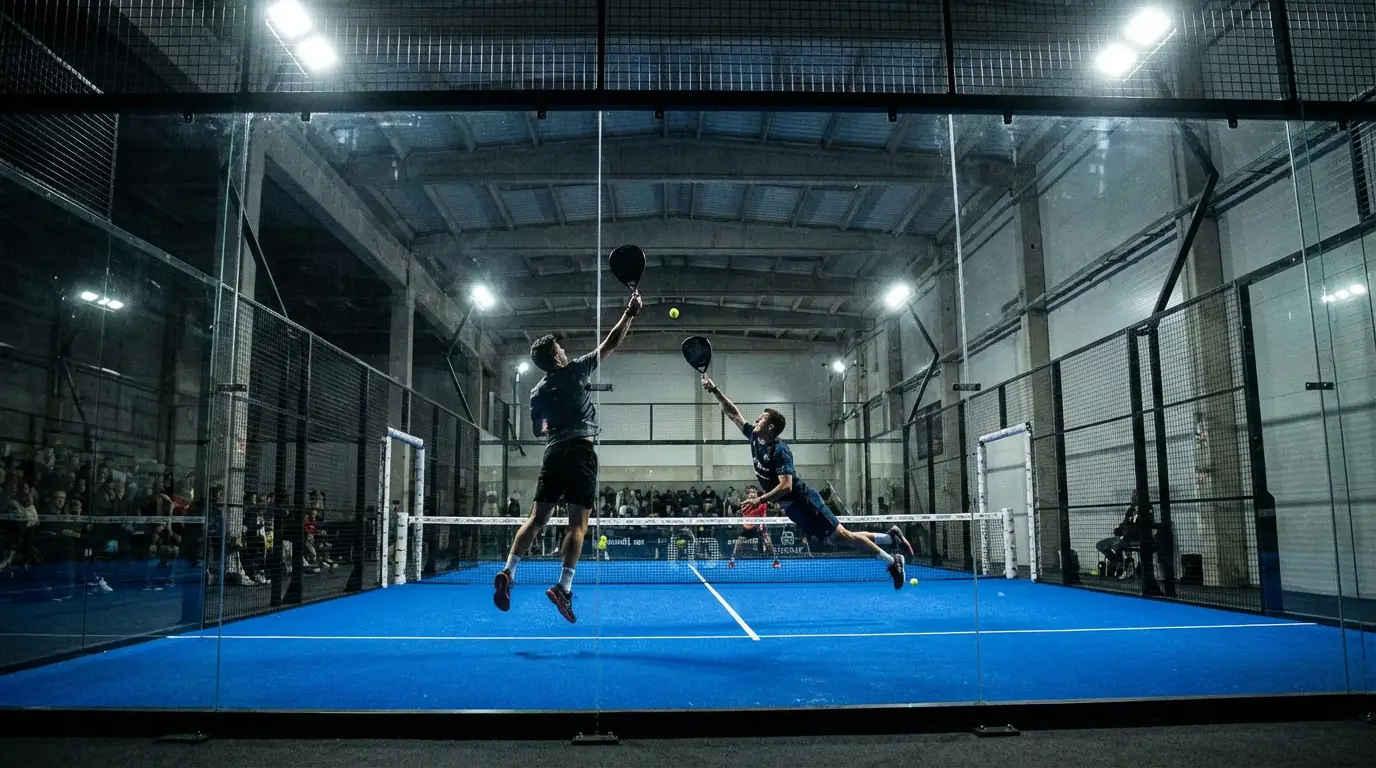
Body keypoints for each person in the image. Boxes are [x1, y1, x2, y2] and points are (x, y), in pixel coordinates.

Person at [492, 292, 642, 622]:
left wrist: (553, 419)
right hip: (580, 452)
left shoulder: (537, 392)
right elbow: (610, 343)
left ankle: (508, 571)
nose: (563, 349)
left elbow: (537, 430)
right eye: (559, 348)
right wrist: (629, 312)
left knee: (536, 519)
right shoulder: (575, 370)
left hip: (553, 454)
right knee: (578, 525)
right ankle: (563, 586)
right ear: (556, 357)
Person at [702, 374, 911, 589]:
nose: (756, 420)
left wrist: (760, 500)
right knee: (838, 538)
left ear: (771, 428)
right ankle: (889, 538)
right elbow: (733, 414)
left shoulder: (780, 451)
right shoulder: (755, 438)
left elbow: (786, 485)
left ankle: (892, 561)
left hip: (805, 502)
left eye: (761, 419)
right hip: (793, 508)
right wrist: (715, 390)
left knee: (844, 535)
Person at [1097, 489, 1153, 579]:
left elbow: (1146, 523)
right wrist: (1120, 528)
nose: (1133, 497)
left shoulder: (1147, 508)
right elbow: (1125, 523)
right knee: (1100, 544)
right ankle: (1117, 562)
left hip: (1136, 538)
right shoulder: (1130, 510)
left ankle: (1122, 566)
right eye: (1133, 495)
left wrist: (1129, 529)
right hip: (1125, 537)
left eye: (1136, 495)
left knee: (1118, 544)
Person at [728, 486, 779, 568]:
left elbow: (752, 502)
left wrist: (742, 504)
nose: (751, 494)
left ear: (757, 494)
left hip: (759, 527)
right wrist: (739, 509)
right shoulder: (744, 506)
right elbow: (739, 512)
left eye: (754, 492)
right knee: (738, 544)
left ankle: (775, 561)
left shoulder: (762, 502)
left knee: (768, 543)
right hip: (748, 528)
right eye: (750, 492)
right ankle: (732, 561)